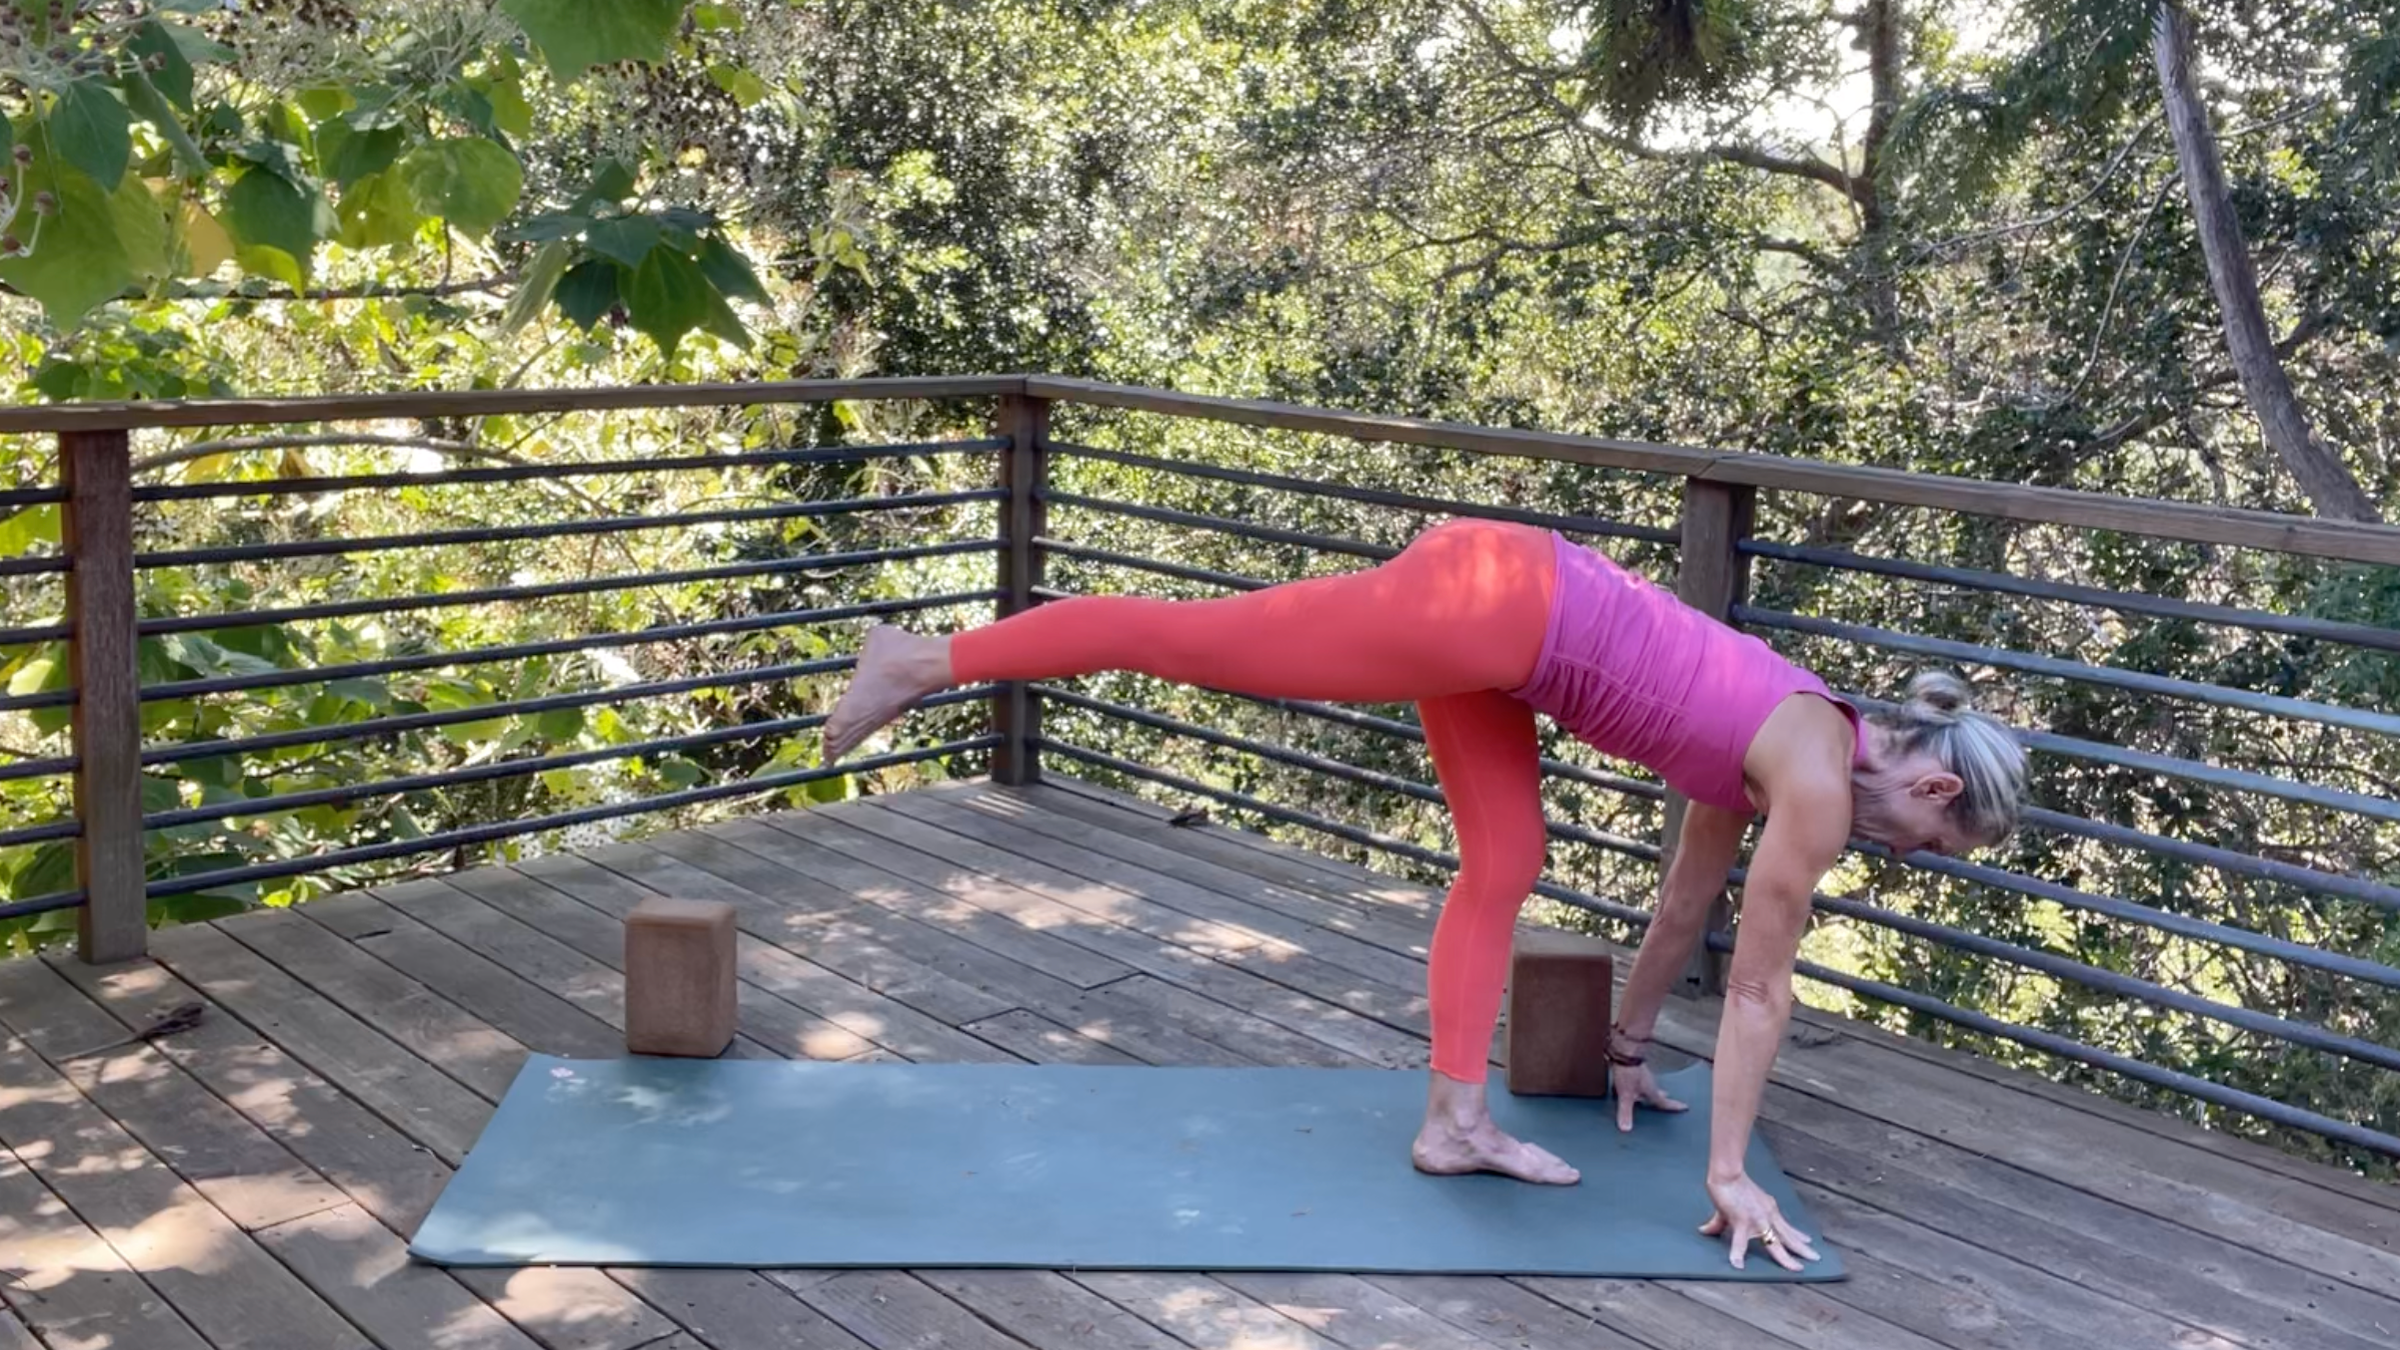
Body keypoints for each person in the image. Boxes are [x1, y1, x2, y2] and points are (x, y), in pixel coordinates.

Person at [820, 516, 2027, 1271]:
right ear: (1929, 791)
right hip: (1497, 610)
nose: (1911, 861)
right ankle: (926, 660)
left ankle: (1453, 1123)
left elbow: (1682, 911)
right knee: (1195, 639)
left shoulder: (1796, 739)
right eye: (1936, 846)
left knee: (1507, 861)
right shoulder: (1817, 785)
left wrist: (1625, 1045)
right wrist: (1725, 1177)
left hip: (1515, 624)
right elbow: (1761, 985)